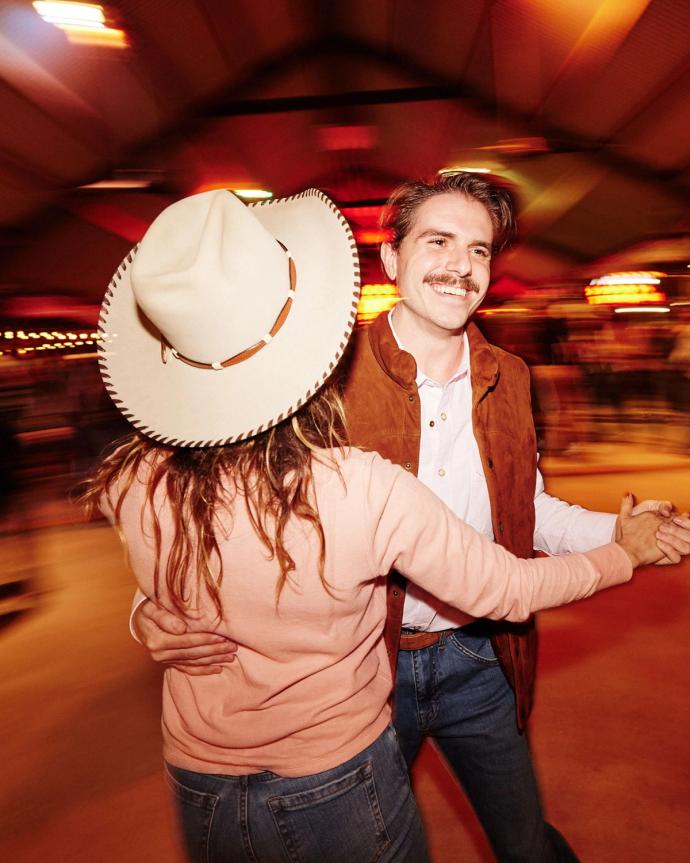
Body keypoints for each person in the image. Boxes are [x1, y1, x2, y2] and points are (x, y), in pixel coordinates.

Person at [128, 176, 690, 862]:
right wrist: (150, 604)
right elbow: (232, 513)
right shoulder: (319, 373)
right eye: (438, 241)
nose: (461, 266)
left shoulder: (509, 376)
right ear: (392, 261)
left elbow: (526, 507)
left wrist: (622, 532)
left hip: (479, 655)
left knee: (525, 842)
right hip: (371, 668)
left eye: (479, 250)